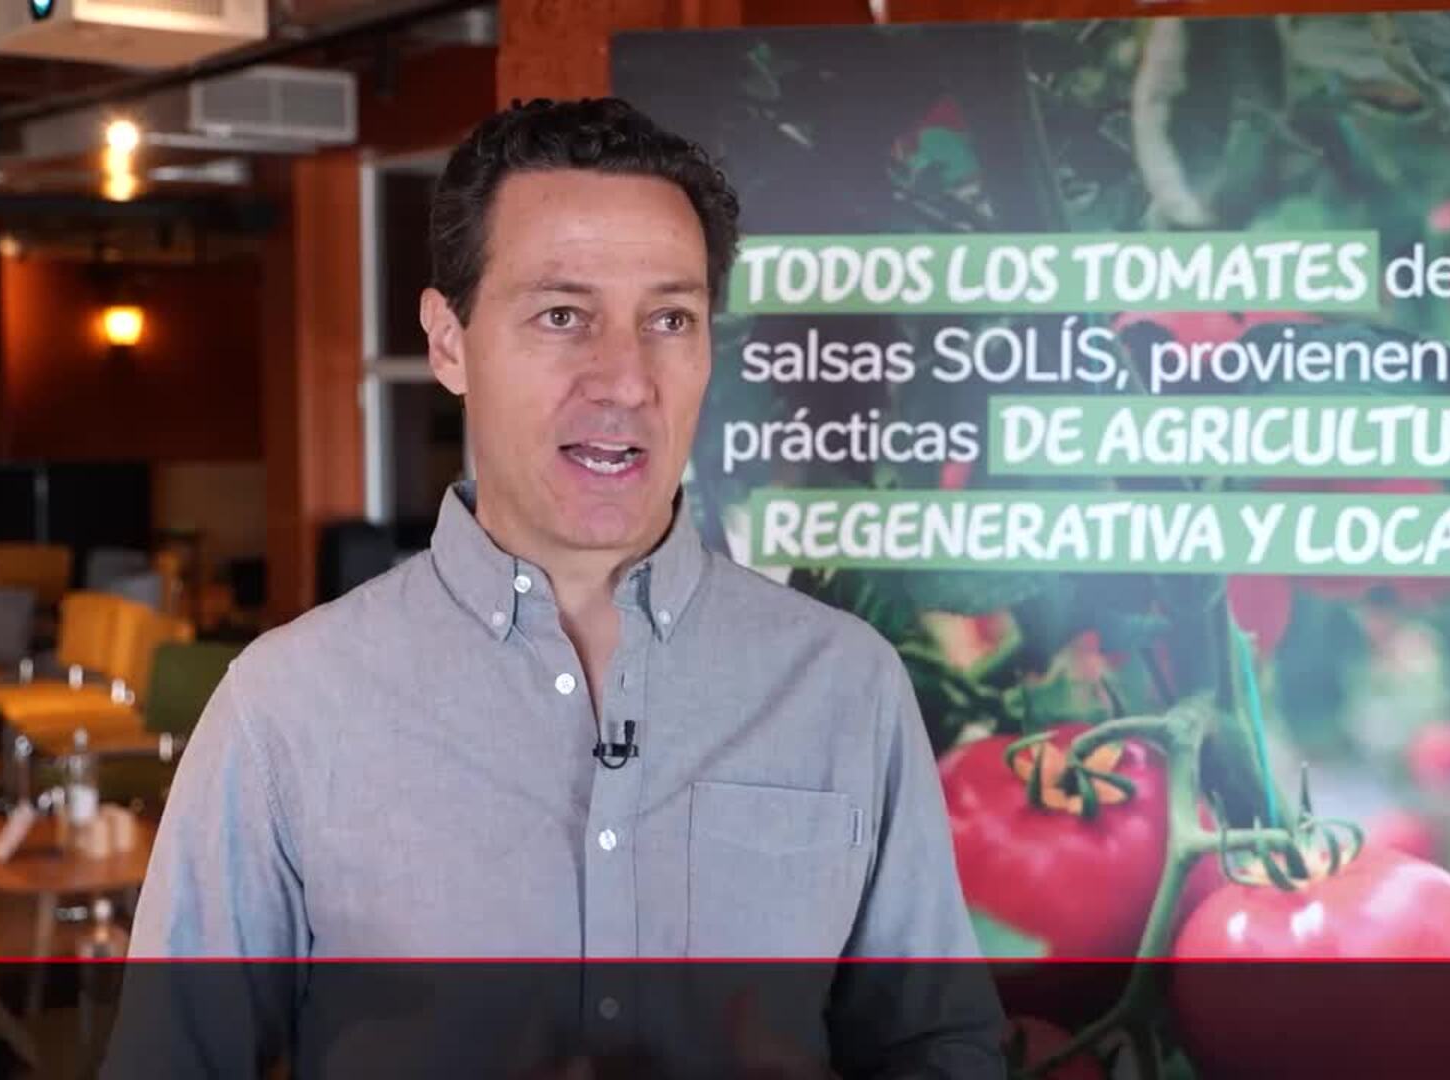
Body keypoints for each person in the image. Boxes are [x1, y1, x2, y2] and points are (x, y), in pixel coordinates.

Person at [111, 98, 1004, 1077]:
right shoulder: (286, 706)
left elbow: (937, 1048)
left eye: (669, 319)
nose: (623, 379)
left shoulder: (845, 685)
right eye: (562, 315)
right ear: (448, 341)